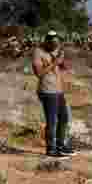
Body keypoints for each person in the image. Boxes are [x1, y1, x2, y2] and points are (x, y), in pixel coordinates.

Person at [32, 30, 74, 158]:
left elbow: (63, 67)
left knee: (64, 118)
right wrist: (55, 62)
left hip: (58, 90)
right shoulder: (38, 53)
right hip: (47, 91)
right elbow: (39, 73)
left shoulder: (56, 50)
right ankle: (51, 149)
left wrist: (61, 60)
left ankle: (61, 145)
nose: (55, 46)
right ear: (47, 42)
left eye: (57, 44)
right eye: (53, 44)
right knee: (52, 121)